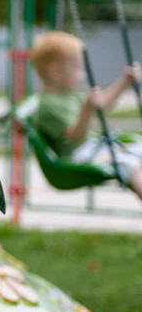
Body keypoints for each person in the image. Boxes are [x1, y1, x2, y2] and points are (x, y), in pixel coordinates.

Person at [30, 31, 142, 199]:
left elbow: (101, 106)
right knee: (129, 164)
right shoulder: (48, 105)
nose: (82, 75)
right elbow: (74, 137)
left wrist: (124, 83)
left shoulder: (69, 94)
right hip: (78, 157)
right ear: (55, 71)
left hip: (92, 148)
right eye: (77, 68)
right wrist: (87, 111)